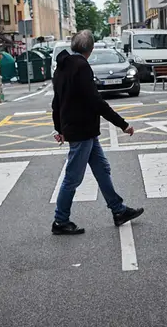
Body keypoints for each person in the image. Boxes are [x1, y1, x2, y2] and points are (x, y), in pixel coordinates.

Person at [50, 30, 144, 235]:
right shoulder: (81, 67)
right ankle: (60, 220)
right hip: (82, 131)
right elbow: (95, 101)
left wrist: (59, 128)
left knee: (102, 169)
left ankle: (118, 211)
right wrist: (122, 124)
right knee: (72, 178)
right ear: (90, 50)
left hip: (82, 131)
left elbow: (56, 103)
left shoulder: (62, 67)